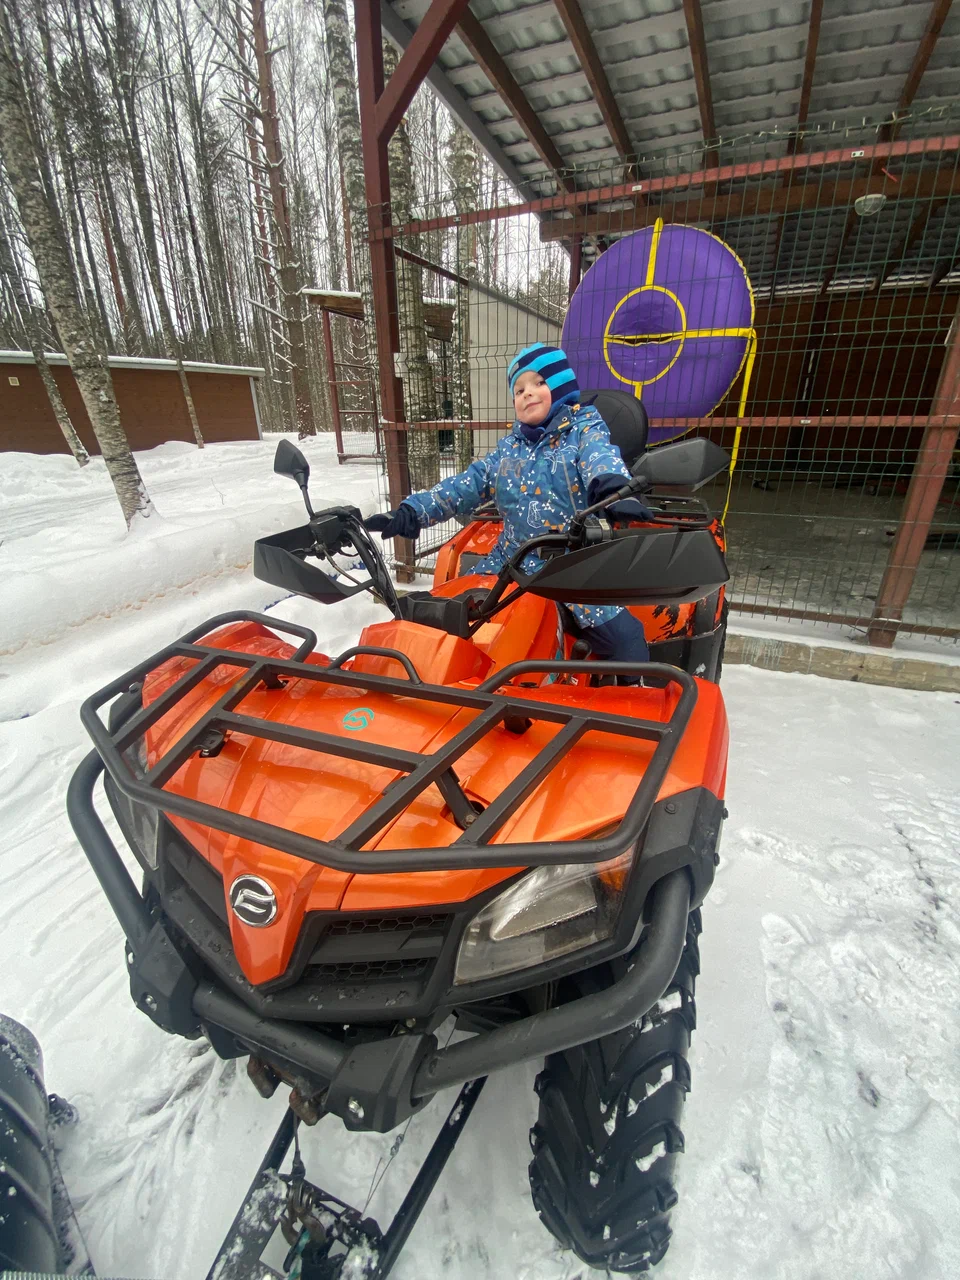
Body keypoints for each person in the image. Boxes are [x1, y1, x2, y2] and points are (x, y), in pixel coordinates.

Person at [366, 343, 652, 677]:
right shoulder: (508, 450)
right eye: (519, 389)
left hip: (574, 565)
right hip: (510, 562)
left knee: (626, 640)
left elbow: (600, 458)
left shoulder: (584, 430)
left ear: (561, 387)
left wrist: (614, 489)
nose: (527, 393)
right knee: (452, 618)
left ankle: (637, 695)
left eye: (539, 383)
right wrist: (413, 512)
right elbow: (464, 486)